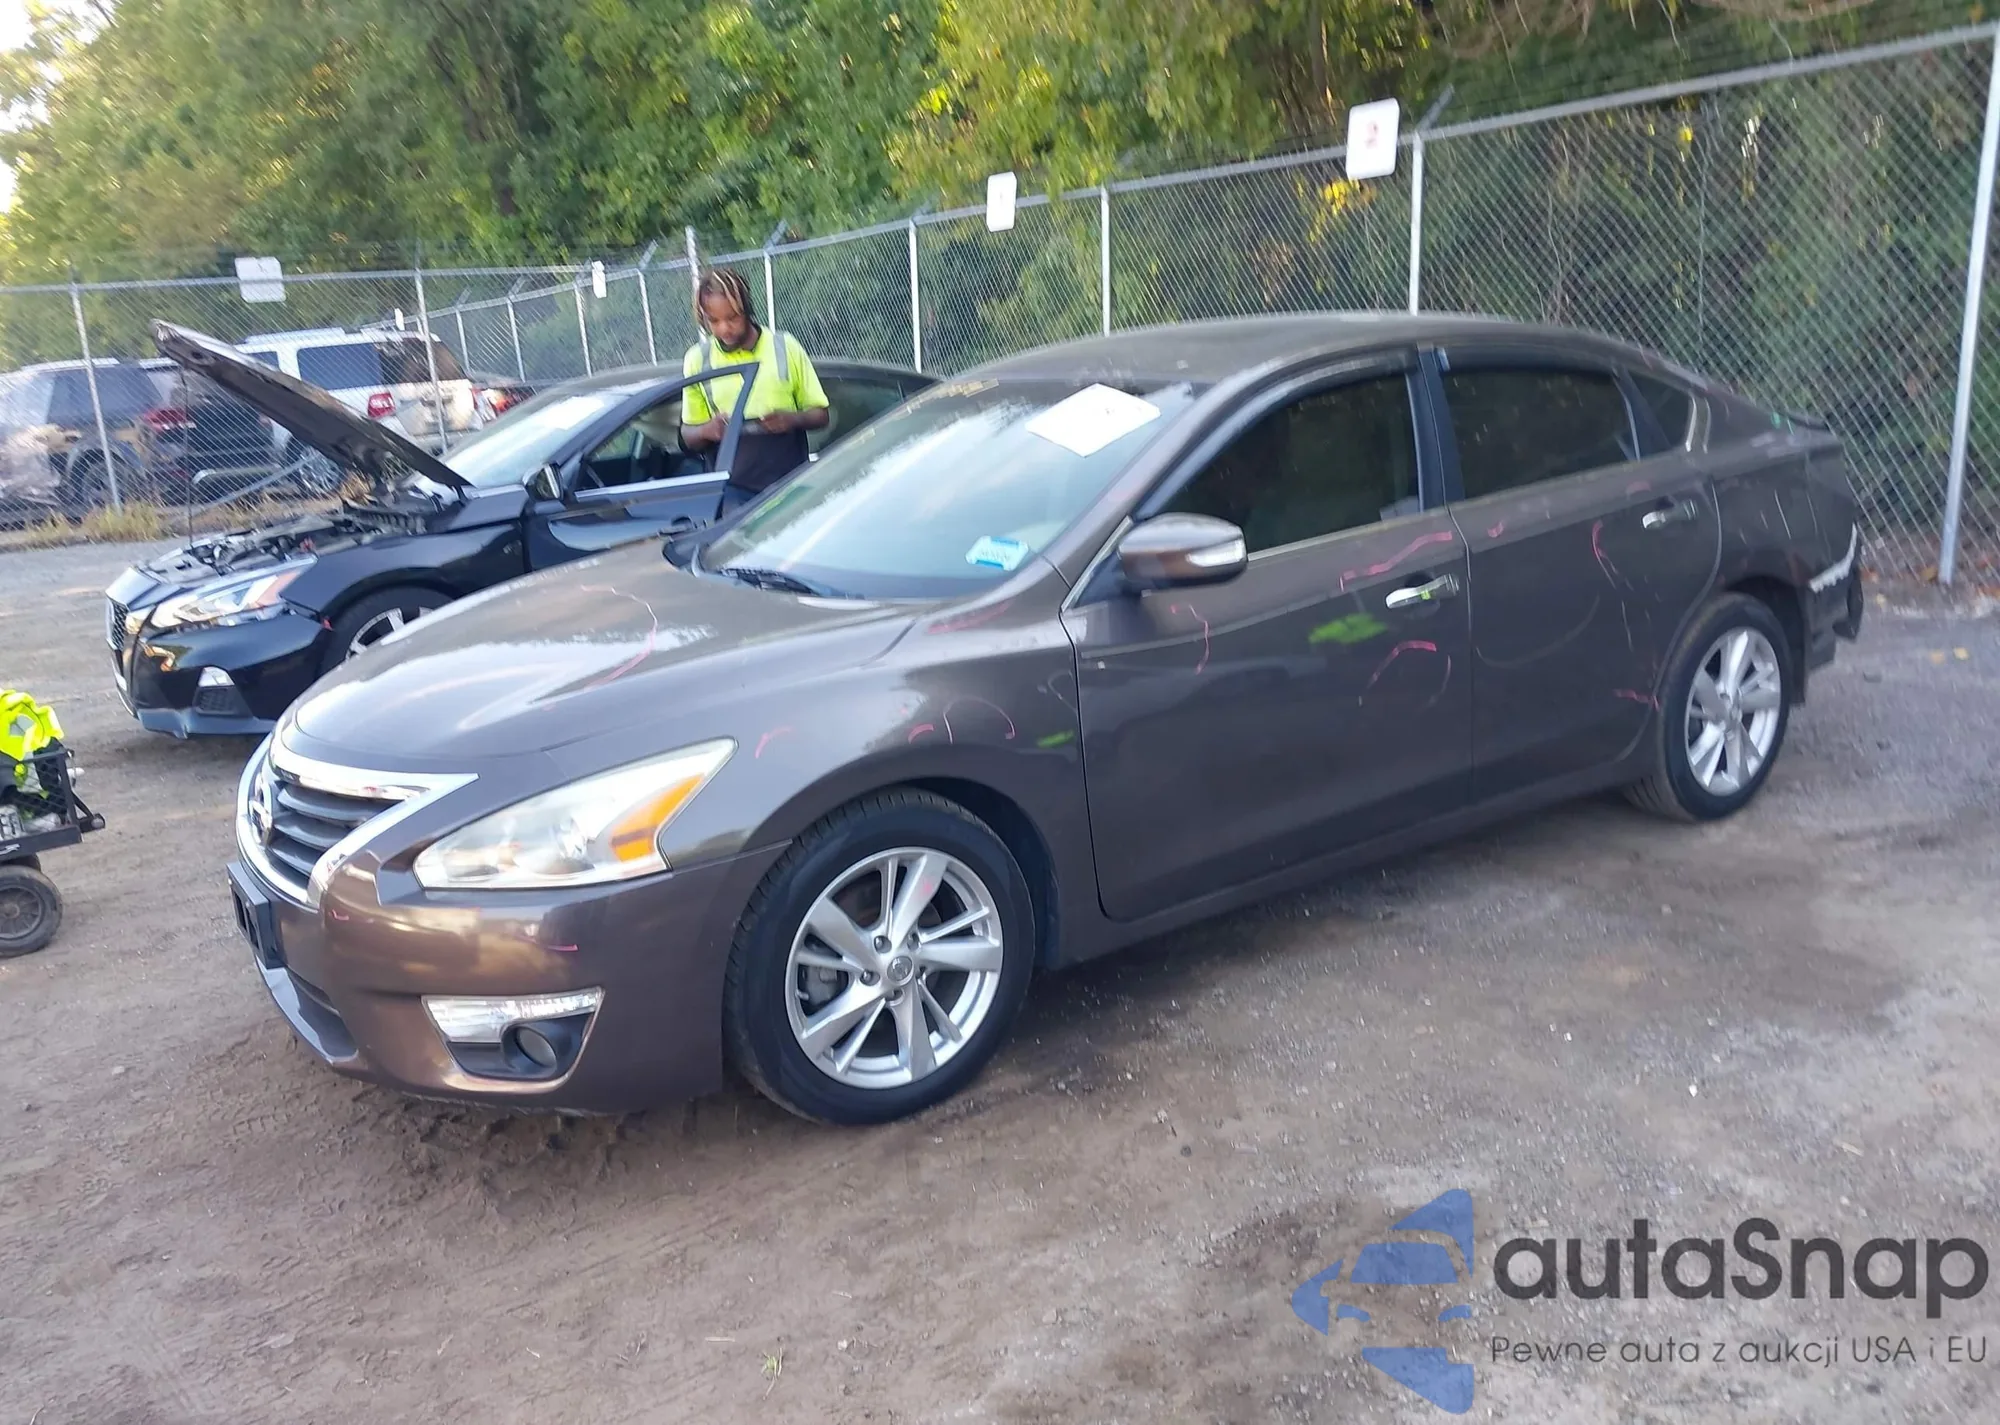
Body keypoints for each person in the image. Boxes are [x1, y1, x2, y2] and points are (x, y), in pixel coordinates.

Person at [679, 266, 830, 518]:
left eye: (732, 318)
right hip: (732, 499)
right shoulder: (697, 360)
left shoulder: (785, 347)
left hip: (790, 490)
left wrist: (792, 419)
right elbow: (687, 435)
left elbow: (822, 415)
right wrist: (707, 430)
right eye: (713, 321)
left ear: (747, 308)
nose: (724, 329)